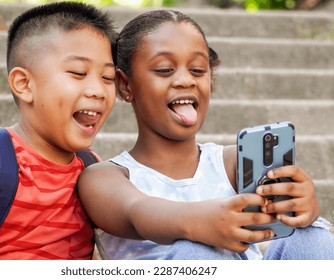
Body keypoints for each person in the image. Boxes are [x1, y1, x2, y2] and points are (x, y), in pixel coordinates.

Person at [78, 9, 334, 260]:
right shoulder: (104, 178)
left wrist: (304, 207)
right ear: (125, 85)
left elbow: (292, 220)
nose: (185, 80)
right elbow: (138, 211)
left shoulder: (236, 162)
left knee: (313, 237)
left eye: (198, 70)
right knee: (196, 251)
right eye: (165, 69)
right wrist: (199, 221)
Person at [0, 2, 116, 260]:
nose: (98, 90)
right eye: (79, 73)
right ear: (24, 84)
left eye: (108, 78)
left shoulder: (92, 169)